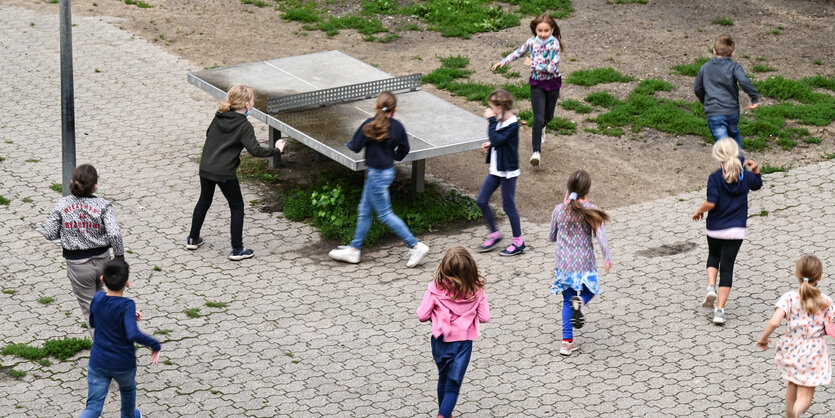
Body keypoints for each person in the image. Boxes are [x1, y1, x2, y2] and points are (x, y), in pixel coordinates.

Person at [327, 91, 429, 267]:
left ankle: (415, 245)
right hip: (387, 171)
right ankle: (354, 249)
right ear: (394, 109)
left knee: (385, 214)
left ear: (375, 106)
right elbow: (404, 150)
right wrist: (393, 155)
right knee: (364, 210)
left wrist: (349, 142)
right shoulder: (398, 127)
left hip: (376, 174)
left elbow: (354, 147)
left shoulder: (369, 125)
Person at [186, 84, 285, 261]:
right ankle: (237, 249)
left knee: (204, 200)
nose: (253, 103)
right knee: (237, 206)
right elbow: (255, 151)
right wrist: (277, 150)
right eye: (253, 100)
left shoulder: (219, 117)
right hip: (224, 172)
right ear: (247, 104)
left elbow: (209, 134)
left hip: (206, 167)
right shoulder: (244, 125)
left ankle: (193, 238)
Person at [42, 164, 124, 338]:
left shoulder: (62, 204)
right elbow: (115, 234)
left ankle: (105, 352)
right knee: (104, 298)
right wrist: (119, 257)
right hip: (103, 261)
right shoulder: (103, 205)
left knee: (90, 310)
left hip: (77, 265)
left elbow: (49, 233)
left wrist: (66, 232)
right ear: (94, 186)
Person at [692, 137, 762, 324]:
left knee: (713, 255)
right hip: (736, 231)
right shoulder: (745, 176)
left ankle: (710, 288)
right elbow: (757, 184)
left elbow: (711, 202)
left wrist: (699, 211)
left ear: (718, 156)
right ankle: (720, 311)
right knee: (728, 268)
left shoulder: (715, 177)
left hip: (715, 228)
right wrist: (755, 170)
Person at [80, 259, 161, 418]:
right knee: (128, 390)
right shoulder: (127, 305)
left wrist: (126, 317)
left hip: (98, 361)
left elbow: (93, 322)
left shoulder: (97, 298)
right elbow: (132, 334)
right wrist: (155, 344)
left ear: (102, 279)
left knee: (93, 408)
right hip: (123, 363)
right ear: (127, 283)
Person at [417, 246, 490, 418]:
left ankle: (445, 412)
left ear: (444, 268)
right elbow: (485, 317)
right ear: (471, 269)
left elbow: (422, 315)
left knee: (443, 376)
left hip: (440, 341)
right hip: (462, 345)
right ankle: (443, 415)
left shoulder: (435, 289)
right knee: (453, 384)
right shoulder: (477, 291)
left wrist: (436, 317)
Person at [757, 255, 834, 418]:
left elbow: (774, 322)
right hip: (814, 352)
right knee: (806, 394)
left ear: (796, 274)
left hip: (791, 348)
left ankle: (789, 414)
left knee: (792, 382)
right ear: (820, 277)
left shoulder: (789, 298)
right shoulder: (825, 301)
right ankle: (796, 413)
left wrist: (763, 338)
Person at [548, 170, 612, 356]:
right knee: (591, 289)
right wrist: (607, 257)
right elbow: (602, 237)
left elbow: (551, 236)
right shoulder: (590, 209)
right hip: (584, 262)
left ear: (568, 188)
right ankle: (581, 301)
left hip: (564, 263)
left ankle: (566, 343)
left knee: (567, 301)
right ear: (588, 189)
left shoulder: (559, 209)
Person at [492, 12, 563, 166]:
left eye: (546, 31)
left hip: (553, 83)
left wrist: (532, 64)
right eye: (540, 31)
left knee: (548, 117)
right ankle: (536, 152)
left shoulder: (554, 44)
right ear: (535, 30)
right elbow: (519, 52)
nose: (543, 34)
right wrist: (504, 61)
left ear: (552, 30)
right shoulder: (532, 42)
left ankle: (543, 127)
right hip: (537, 84)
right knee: (538, 117)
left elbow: (552, 68)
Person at [475, 88, 525, 256]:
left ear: (501, 108)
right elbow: (497, 140)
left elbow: (498, 138)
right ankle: (495, 234)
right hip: (496, 169)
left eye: (492, 107)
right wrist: (491, 144)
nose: (490, 110)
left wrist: (490, 122)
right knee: (481, 200)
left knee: (508, 206)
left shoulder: (512, 123)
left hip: (507, 171)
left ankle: (519, 242)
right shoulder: (500, 119)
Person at [694, 34, 760, 161]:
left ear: (714, 50)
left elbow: (697, 89)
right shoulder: (734, 67)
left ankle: (730, 176)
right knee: (734, 142)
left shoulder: (705, 68)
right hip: (732, 112)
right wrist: (754, 97)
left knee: (724, 149)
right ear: (733, 53)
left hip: (714, 113)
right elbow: (745, 82)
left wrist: (707, 102)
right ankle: (741, 173)